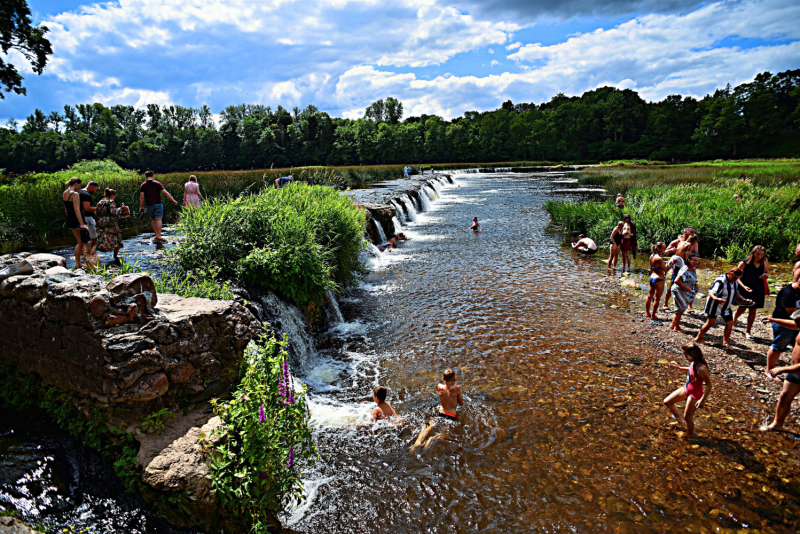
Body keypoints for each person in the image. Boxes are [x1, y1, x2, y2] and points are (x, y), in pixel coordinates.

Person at [760, 310, 800, 431]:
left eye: (798, 322)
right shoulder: (799, 325)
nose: (796, 325)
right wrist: (774, 320)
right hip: (795, 371)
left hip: (796, 369)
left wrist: (782, 369)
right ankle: (777, 424)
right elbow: (793, 324)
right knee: (784, 396)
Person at [663, 342, 712, 437]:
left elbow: (709, 385)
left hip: (695, 393)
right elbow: (691, 369)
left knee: (688, 417)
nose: (685, 357)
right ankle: (680, 422)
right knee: (667, 402)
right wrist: (680, 367)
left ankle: (689, 434)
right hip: (686, 388)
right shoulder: (694, 361)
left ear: (692, 354)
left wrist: (702, 400)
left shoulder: (701, 368)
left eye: (686, 355)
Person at [695, 268, 743, 350]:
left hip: (726, 306)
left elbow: (735, 292)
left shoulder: (734, 281)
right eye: (734, 277)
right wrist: (716, 298)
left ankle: (725, 342)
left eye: (737, 278)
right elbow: (711, 292)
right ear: (729, 273)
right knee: (710, 323)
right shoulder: (721, 281)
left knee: (730, 323)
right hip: (714, 304)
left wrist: (742, 299)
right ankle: (698, 338)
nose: (735, 279)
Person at [762, 280, 800, 379]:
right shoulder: (788, 294)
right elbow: (795, 316)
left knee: (796, 346)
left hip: (795, 324)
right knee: (778, 346)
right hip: (783, 323)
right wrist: (772, 320)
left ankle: (795, 370)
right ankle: (769, 371)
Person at [733, 245, 769, 340]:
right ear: (753, 253)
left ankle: (748, 331)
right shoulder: (745, 262)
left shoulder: (764, 261)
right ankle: (734, 321)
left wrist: (765, 276)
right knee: (742, 309)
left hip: (758, 287)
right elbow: (736, 277)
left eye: (762, 254)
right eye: (758, 254)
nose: (760, 256)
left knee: (753, 310)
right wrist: (744, 287)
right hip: (745, 287)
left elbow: (767, 272)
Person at [139, 170, 178, 243]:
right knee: (158, 219)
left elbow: (141, 197)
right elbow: (165, 193)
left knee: (153, 219)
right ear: (152, 175)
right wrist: (173, 200)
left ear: (146, 176)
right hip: (158, 203)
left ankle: (156, 234)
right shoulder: (157, 183)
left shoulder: (143, 185)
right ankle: (159, 236)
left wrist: (141, 207)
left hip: (149, 204)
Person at [663, 235, 698, 311]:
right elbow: (687, 256)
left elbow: (679, 236)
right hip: (682, 267)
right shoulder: (689, 245)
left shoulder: (681, 242)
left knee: (672, 285)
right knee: (691, 286)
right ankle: (689, 307)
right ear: (694, 241)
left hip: (675, 265)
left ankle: (665, 304)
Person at [62, 177, 89, 269]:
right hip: (77, 219)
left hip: (70, 218)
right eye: (80, 185)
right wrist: (82, 224)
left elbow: (66, 209)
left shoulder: (65, 193)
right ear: (76, 183)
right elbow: (77, 210)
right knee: (81, 242)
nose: (79, 187)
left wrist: (69, 218)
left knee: (79, 241)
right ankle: (79, 263)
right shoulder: (75, 194)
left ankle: (78, 263)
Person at [95, 188, 127, 262]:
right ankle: (115, 256)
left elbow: (96, 212)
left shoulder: (100, 202)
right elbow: (113, 212)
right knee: (117, 238)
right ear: (112, 195)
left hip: (101, 222)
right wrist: (120, 209)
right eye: (115, 195)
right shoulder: (111, 201)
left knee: (103, 238)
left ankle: (94, 254)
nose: (115, 197)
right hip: (110, 222)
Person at [670, 254, 700, 333]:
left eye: (697, 260)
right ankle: (677, 327)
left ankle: (673, 324)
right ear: (689, 260)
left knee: (681, 308)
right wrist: (687, 288)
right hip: (678, 290)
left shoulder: (693, 268)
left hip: (685, 291)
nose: (696, 262)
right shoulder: (685, 269)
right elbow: (676, 280)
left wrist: (695, 284)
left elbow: (693, 278)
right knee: (679, 310)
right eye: (694, 260)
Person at [646, 242, 667, 320]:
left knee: (649, 296)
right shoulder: (659, 258)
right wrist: (671, 263)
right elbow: (666, 269)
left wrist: (654, 274)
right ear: (659, 249)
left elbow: (651, 268)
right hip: (659, 279)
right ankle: (653, 316)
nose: (665, 249)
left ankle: (647, 313)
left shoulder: (652, 256)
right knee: (657, 299)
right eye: (664, 248)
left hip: (652, 277)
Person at [78, 181, 100, 252]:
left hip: (80, 217)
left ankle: (84, 253)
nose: (95, 191)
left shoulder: (79, 192)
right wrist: (98, 208)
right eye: (95, 189)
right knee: (94, 236)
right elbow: (86, 208)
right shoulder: (86, 195)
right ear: (92, 187)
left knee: (83, 237)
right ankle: (90, 252)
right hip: (87, 217)